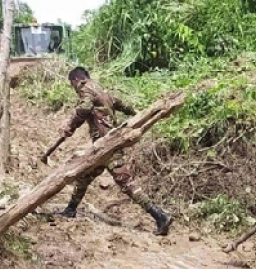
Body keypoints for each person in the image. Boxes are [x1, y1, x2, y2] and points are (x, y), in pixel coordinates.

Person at [49, 67, 172, 236]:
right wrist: (137, 113)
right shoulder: (100, 89)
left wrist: (70, 127)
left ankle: (160, 216)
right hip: (102, 147)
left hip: (108, 146)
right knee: (84, 176)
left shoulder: (86, 89)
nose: (75, 90)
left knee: (126, 183)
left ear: (77, 80)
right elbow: (120, 103)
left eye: (73, 85)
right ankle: (70, 209)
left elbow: (84, 108)